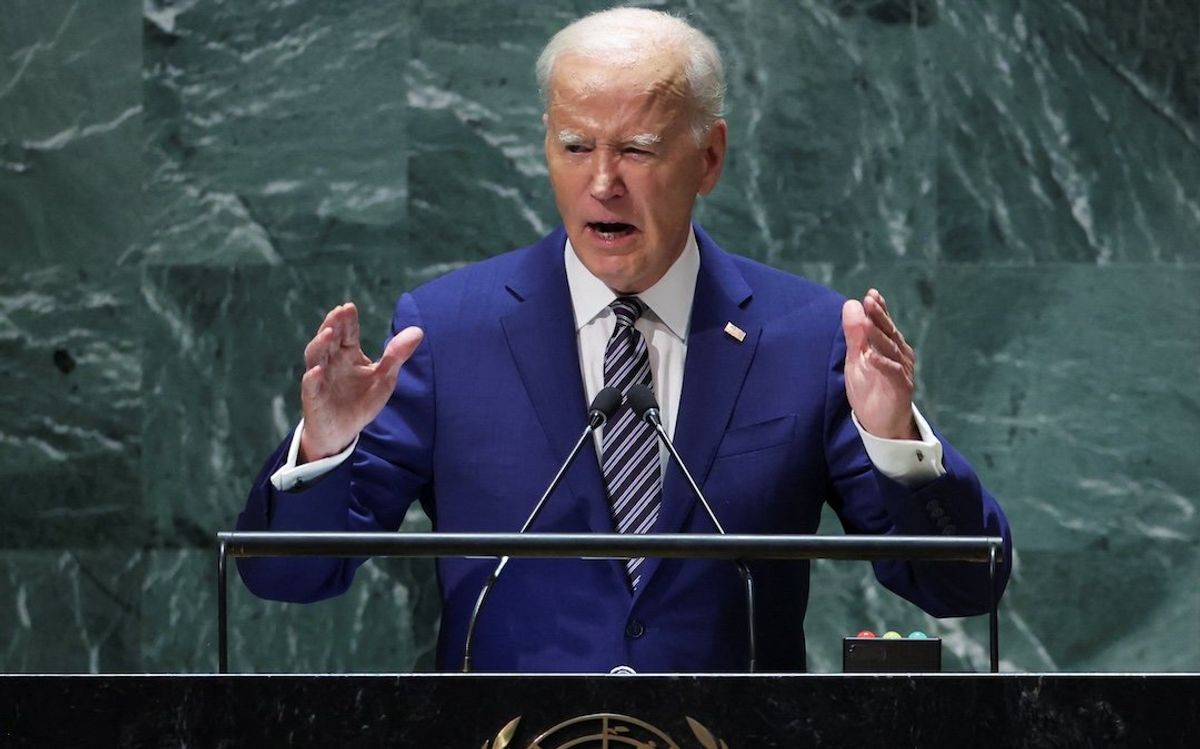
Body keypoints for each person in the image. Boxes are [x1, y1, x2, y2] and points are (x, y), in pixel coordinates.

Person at [237, 7, 1011, 673]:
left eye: (637, 149)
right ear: (545, 147)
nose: (603, 181)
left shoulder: (804, 337)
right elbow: (289, 575)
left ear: (708, 156)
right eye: (576, 147)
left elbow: (963, 586)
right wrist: (325, 446)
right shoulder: (448, 330)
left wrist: (897, 441)